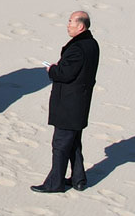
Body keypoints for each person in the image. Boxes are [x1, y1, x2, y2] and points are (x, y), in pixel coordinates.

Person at [32, 10, 99, 192]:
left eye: (71, 22)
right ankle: (78, 179)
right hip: (80, 103)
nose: (67, 25)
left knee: (61, 144)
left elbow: (65, 74)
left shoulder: (78, 48)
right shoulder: (92, 44)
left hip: (69, 103)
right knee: (73, 142)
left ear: (81, 26)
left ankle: (55, 183)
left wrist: (52, 70)